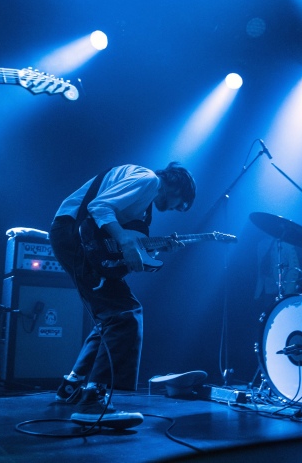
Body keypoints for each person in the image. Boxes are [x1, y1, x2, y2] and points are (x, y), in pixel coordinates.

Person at [49, 162, 196, 429]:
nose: (176, 208)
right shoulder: (148, 180)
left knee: (111, 317)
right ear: (176, 185)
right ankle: (93, 401)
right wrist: (126, 240)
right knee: (125, 315)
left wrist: (156, 248)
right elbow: (99, 208)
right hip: (73, 234)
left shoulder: (144, 202)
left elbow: (119, 243)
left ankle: (71, 387)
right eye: (179, 202)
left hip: (71, 236)